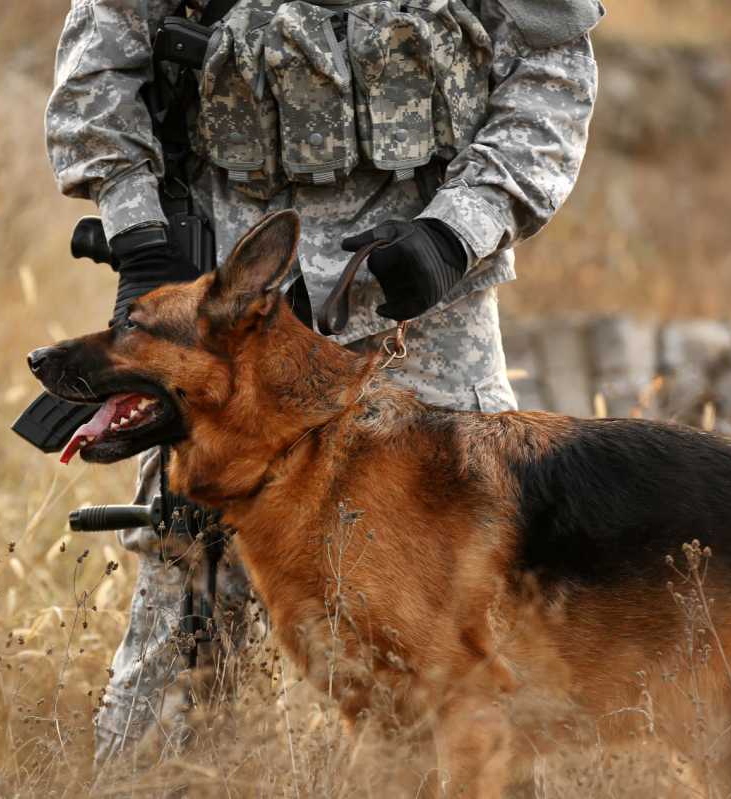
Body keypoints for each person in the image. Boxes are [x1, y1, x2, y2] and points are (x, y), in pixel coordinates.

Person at [46, 0, 602, 762]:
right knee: (186, 613)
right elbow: (102, 51)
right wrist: (139, 230)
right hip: (226, 291)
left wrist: (460, 227)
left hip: (423, 288)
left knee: (486, 627)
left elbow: (552, 67)